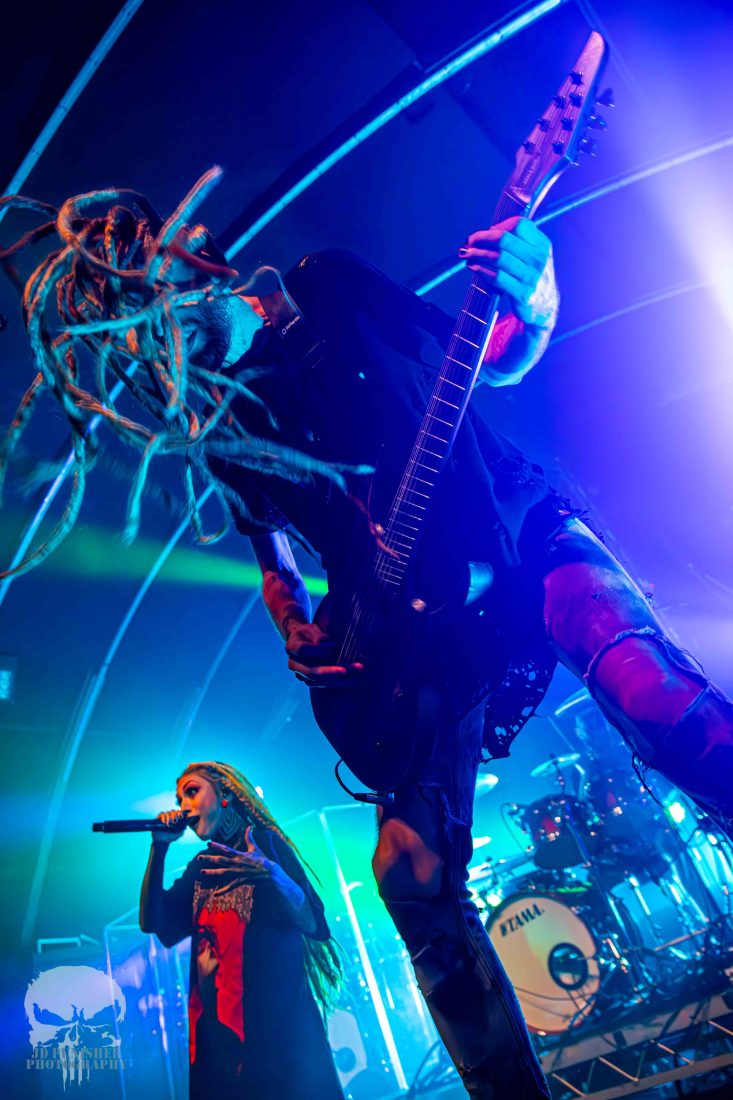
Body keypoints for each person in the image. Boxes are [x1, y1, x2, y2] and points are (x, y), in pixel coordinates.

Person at [4, 170, 733, 1098]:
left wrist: (536, 290)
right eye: (148, 344)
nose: (168, 345)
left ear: (199, 259)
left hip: (511, 531)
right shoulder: (219, 426)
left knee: (651, 695)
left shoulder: (329, 289)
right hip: (408, 629)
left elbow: (497, 356)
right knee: (405, 872)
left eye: (167, 313)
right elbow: (272, 555)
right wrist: (291, 625)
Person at [139, 760, 344, 1099]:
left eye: (192, 792)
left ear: (225, 794)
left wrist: (273, 874)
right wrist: (159, 847)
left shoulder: (263, 843)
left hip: (279, 1041)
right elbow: (153, 924)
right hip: (220, 1048)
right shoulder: (201, 867)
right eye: (179, 800)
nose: (183, 806)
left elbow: (316, 925)